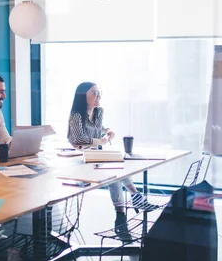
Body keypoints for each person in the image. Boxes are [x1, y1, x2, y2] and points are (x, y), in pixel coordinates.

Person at [67, 82, 157, 232]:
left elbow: (96, 130)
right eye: (94, 93)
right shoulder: (76, 115)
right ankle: (134, 199)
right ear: (83, 97)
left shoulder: (99, 112)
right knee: (113, 170)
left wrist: (106, 131)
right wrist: (101, 141)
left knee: (114, 171)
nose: (98, 96)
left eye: (98, 92)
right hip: (80, 157)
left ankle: (122, 213)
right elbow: (79, 139)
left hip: (95, 154)